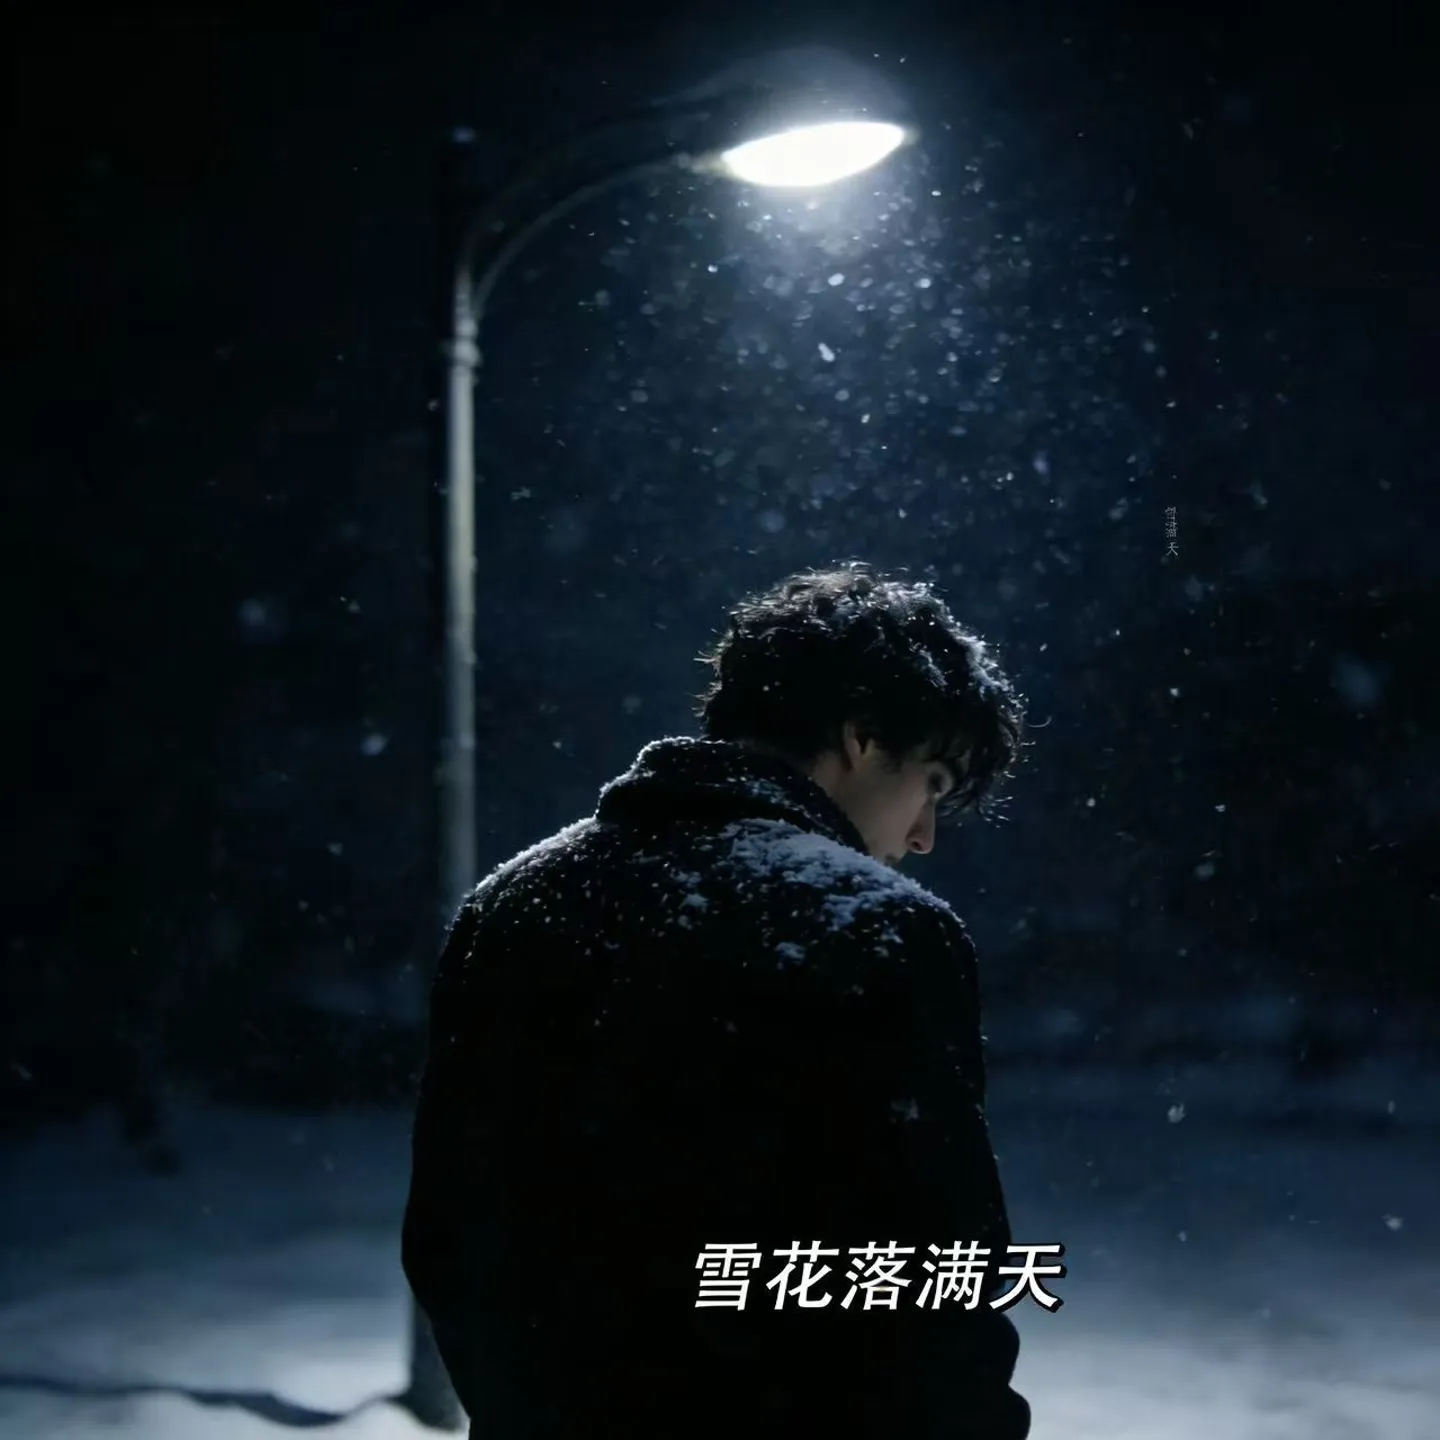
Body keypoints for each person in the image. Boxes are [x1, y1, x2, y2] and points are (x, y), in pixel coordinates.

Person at [403, 563, 1031, 1438]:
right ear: (860, 736)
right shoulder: (873, 925)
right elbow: (931, 1283)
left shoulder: (515, 902)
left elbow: (451, 1234)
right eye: (931, 781)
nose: (924, 834)